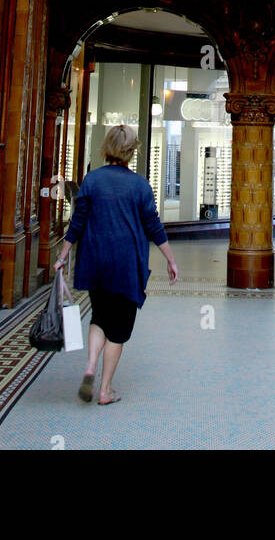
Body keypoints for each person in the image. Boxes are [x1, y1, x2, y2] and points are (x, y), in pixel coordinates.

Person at [54, 123, 178, 405]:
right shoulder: (139, 185)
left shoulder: (91, 180)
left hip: (96, 261)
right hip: (126, 265)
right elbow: (153, 227)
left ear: (107, 147)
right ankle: (105, 390)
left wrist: (62, 256)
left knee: (99, 317)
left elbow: (77, 223)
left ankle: (89, 367)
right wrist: (171, 260)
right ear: (131, 152)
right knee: (119, 330)